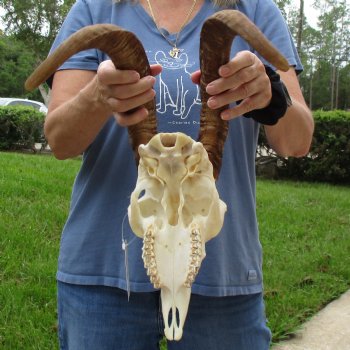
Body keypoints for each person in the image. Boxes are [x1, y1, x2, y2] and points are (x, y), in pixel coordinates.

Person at [45, 0, 314, 349]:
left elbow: (297, 141)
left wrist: (271, 95)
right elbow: (60, 141)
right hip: (105, 275)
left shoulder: (256, 10)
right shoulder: (96, 8)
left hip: (221, 277)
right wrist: (96, 96)